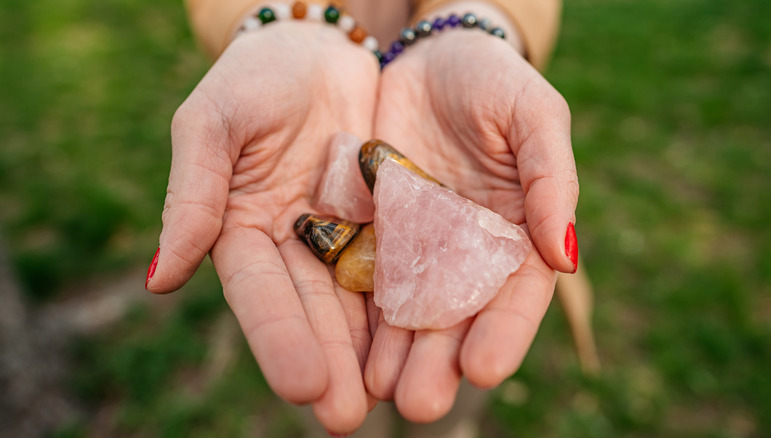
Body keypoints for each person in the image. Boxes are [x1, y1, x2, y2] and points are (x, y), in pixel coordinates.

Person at [145, 0, 577, 435]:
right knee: (328, 383)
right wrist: (278, 19)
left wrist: (478, 19)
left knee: (456, 375)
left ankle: (451, 427)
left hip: (464, 160)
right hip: (313, 63)